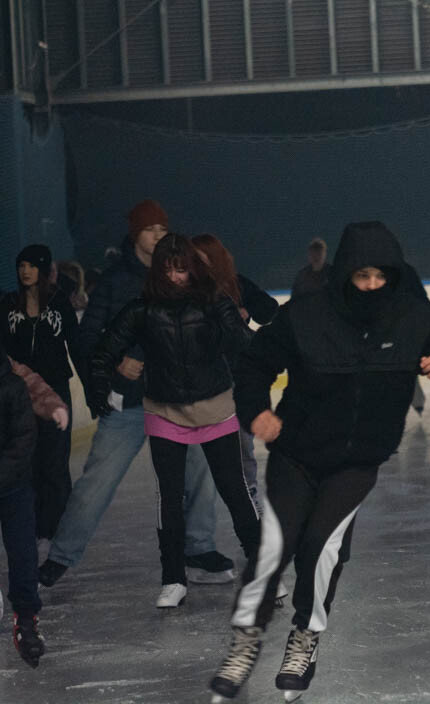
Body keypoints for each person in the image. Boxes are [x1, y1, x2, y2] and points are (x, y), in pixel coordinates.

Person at [209, 221, 430, 703]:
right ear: (345, 273)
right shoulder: (306, 315)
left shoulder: (412, 317)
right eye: (362, 276)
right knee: (276, 544)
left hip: (357, 461)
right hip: (297, 453)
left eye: (381, 277)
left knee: (322, 544)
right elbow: (253, 363)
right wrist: (256, 412)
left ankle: (305, 638)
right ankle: (246, 640)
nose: (373, 286)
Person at [41, 200, 234, 589]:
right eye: (150, 229)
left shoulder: (183, 277)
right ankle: (61, 556)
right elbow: (85, 338)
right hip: (128, 402)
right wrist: (113, 367)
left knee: (201, 474)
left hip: (180, 402)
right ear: (136, 236)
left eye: (163, 228)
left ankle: (198, 548)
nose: (158, 235)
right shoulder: (114, 282)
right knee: (98, 480)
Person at [85, 234, 260, 608]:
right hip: (165, 411)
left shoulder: (215, 303)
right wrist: (99, 389)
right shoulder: (141, 310)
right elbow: (104, 349)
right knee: (170, 497)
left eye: (182, 270)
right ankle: (173, 579)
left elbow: (247, 343)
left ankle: (263, 573)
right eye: (168, 270)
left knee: (235, 491)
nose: (175, 278)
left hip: (214, 407)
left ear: (193, 270)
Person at [193, 233, 279, 513]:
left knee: (242, 448)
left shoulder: (237, 284)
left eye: (202, 257)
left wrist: (245, 314)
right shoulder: (188, 290)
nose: (197, 263)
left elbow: (270, 311)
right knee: (201, 455)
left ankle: (250, 499)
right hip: (202, 381)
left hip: (237, 376)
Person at [2, 245, 78, 551]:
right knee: (28, 462)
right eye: (21, 265)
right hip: (19, 394)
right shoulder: (8, 304)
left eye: (32, 265)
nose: (25, 271)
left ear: (44, 269)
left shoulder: (59, 303)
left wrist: (98, 392)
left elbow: (78, 346)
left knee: (55, 461)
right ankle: (33, 526)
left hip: (56, 390)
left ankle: (57, 525)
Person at [1, 342, 69, 667]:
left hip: (12, 483)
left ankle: (26, 617)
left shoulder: (11, 377)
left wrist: (53, 406)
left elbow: (34, 390)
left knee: (23, 551)